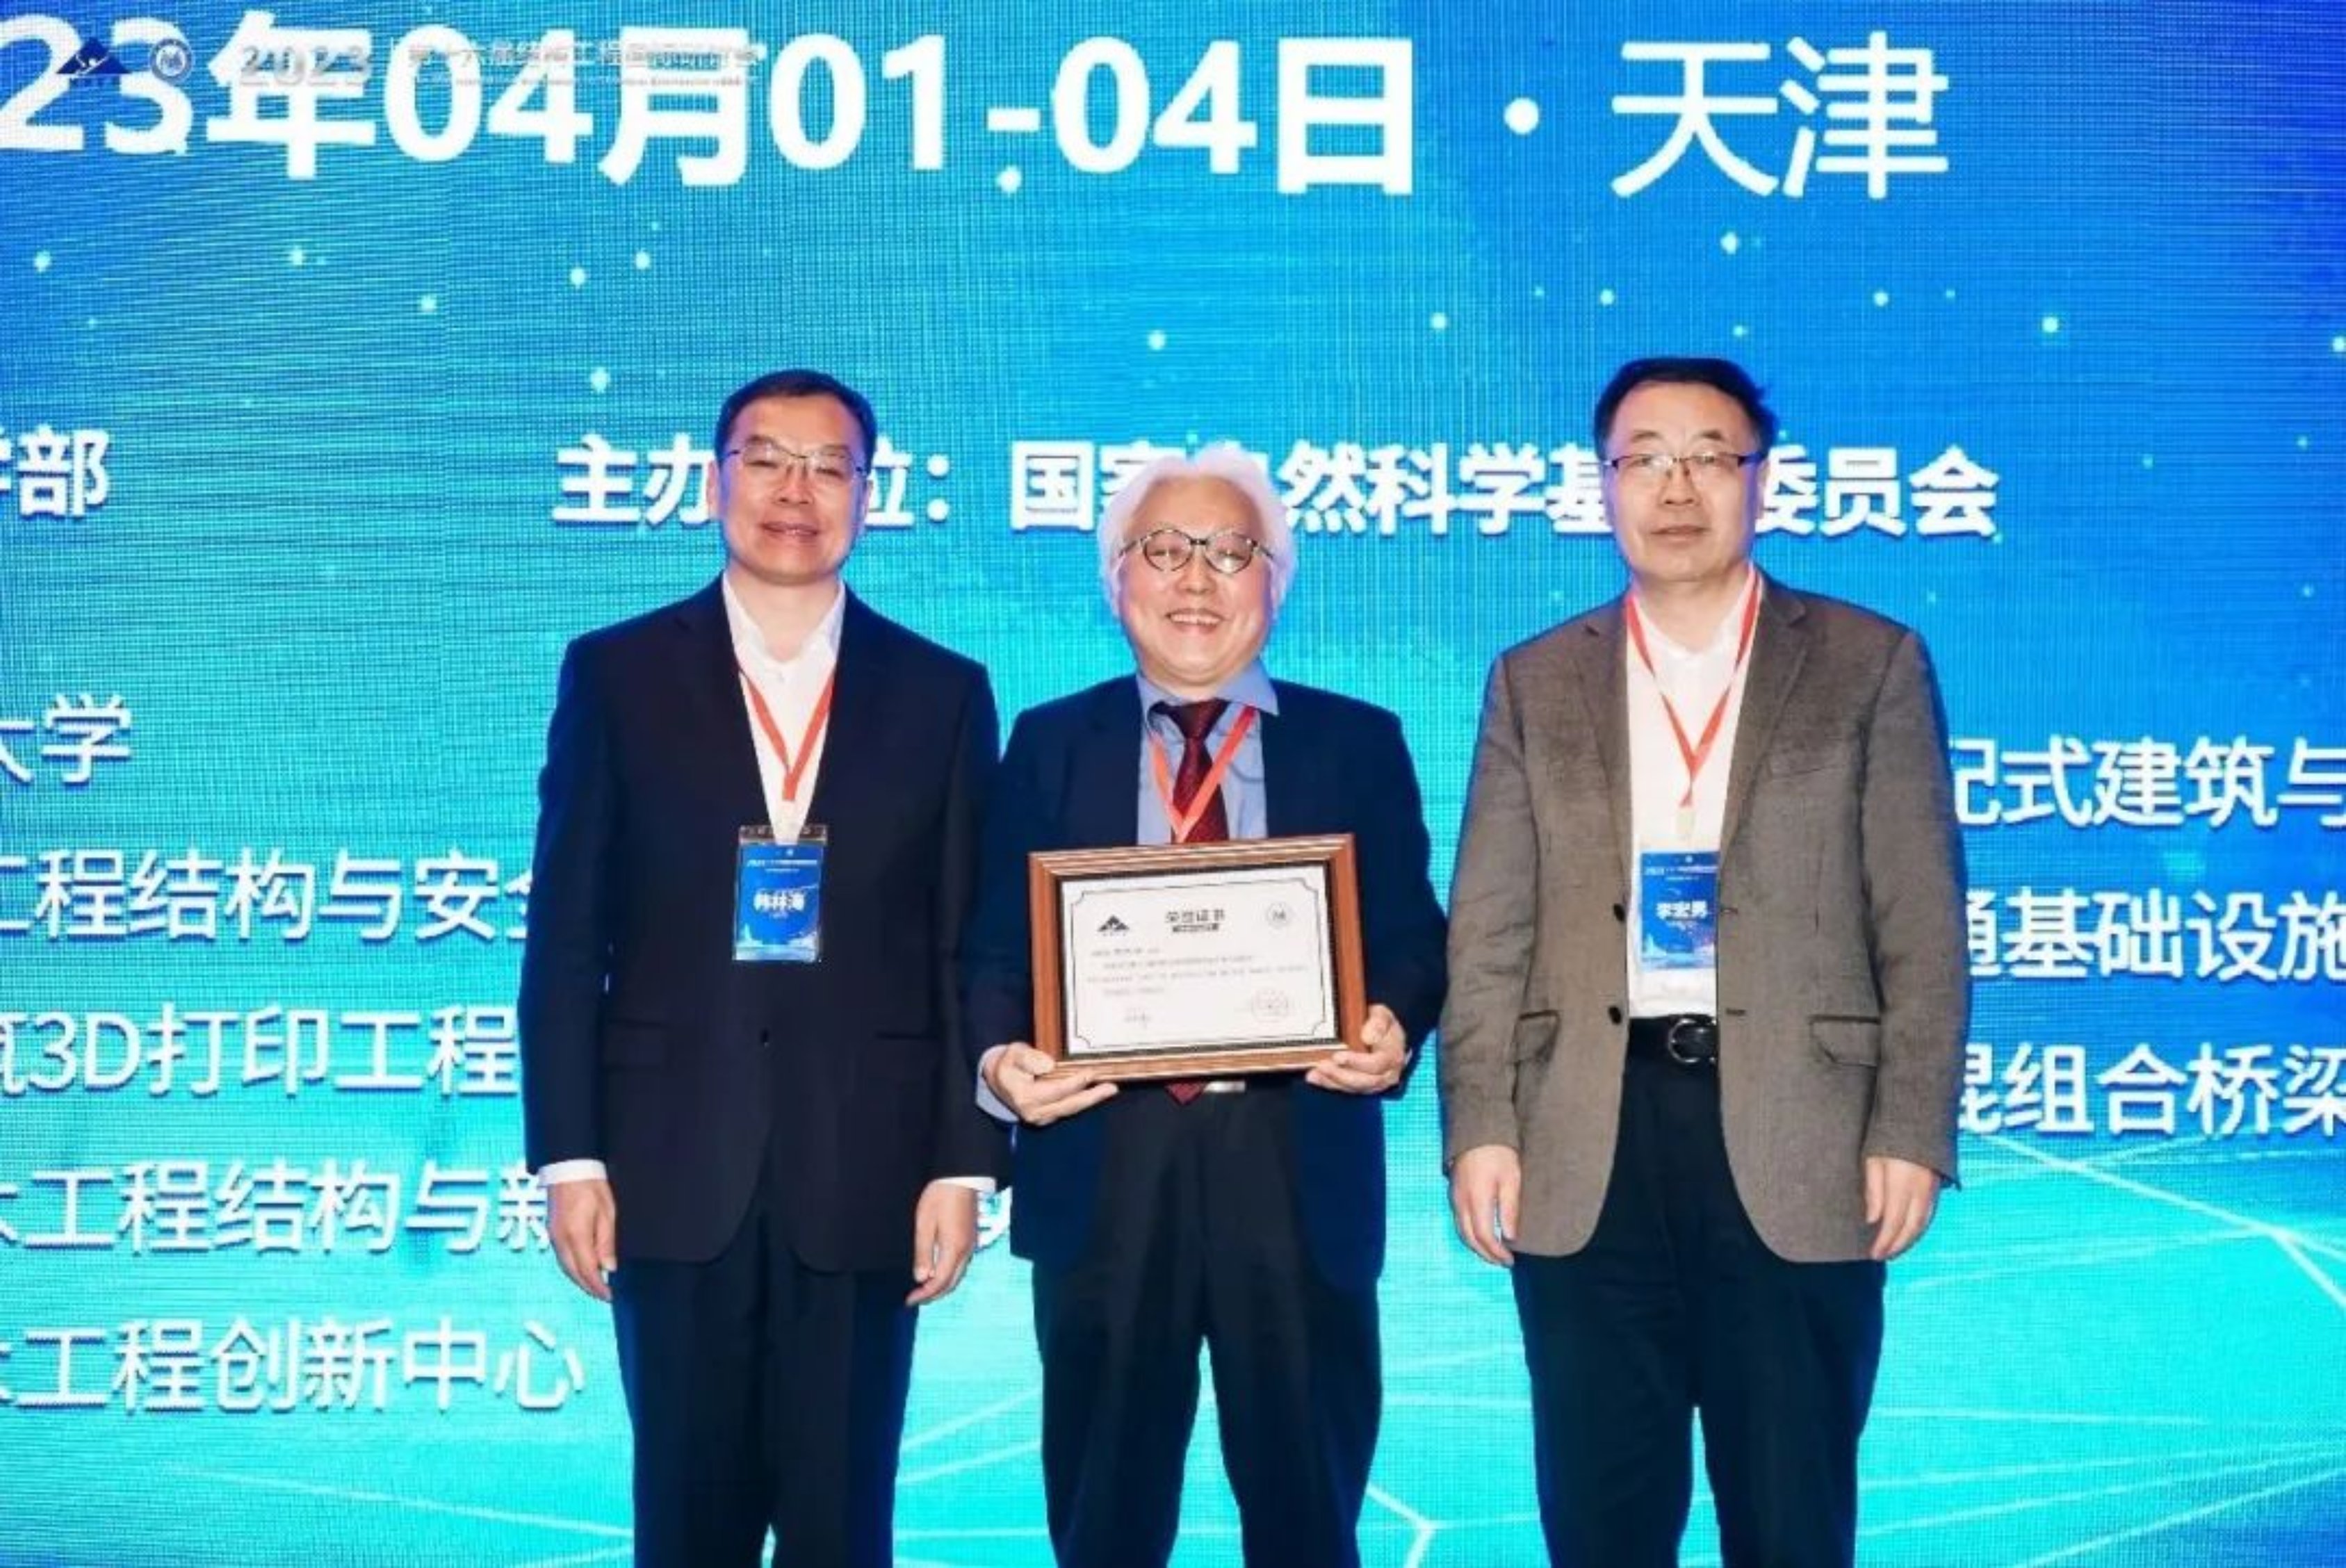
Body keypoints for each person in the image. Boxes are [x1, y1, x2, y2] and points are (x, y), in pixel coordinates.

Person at [1440, 357, 1969, 1566]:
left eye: (1708, 457)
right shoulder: (1534, 679)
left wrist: (1908, 1127)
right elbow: (1490, 928)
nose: (1675, 487)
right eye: (1643, 459)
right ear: (1602, 485)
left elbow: (1921, 920)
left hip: (1802, 1136)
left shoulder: (1868, 662)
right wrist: (1481, 1125)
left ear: (1760, 480)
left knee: (1790, 1516)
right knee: (1601, 1519)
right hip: (1588, 1137)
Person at [518, 368, 1006, 1568]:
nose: (798, 492)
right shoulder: (618, 674)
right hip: (668, 1163)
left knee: (845, 1525)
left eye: (830, 467)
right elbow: (569, 933)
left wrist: (963, 1163)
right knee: (686, 1527)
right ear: (714, 483)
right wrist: (570, 1156)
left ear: (868, 495)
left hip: (867, 1169)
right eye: (768, 461)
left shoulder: (943, 692)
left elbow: (966, 943)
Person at [962, 447, 1448, 1568]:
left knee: (1309, 1516)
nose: (1196, 579)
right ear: (1116, 581)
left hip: (1296, 1167)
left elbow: (1412, 937)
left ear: (1276, 582)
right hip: (1104, 1167)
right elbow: (993, 945)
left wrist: (1393, 1022)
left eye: (1232, 552)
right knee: (1103, 1518)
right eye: (1164, 550)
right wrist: (998, 1062)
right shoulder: (1049, 741)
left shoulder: (1356, 739)